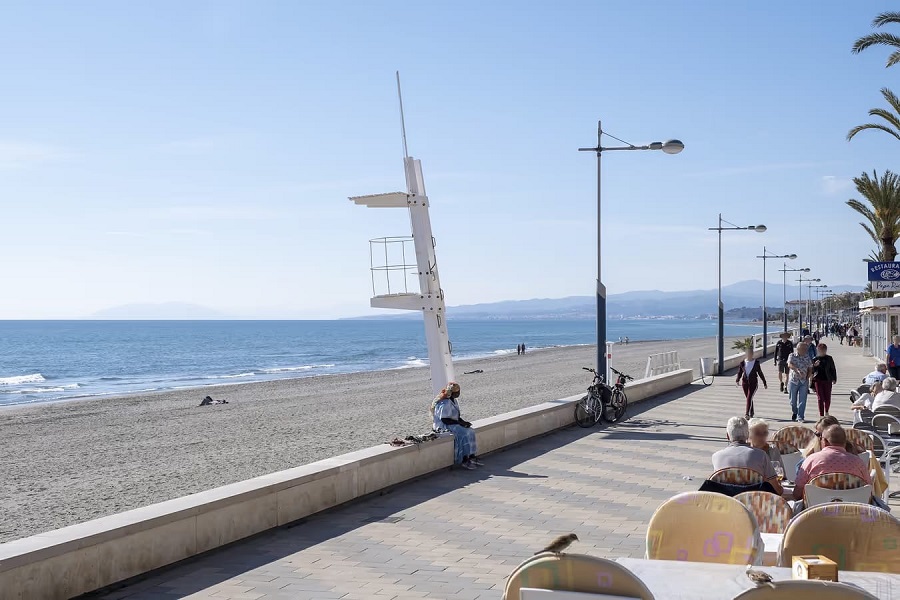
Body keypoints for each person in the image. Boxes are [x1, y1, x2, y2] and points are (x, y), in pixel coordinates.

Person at [793, 424, 871, 501]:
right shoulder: (858, 462)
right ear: (845, 441)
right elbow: (869, 490)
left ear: (824, 441)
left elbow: (797, 493)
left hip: (816, 510)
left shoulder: (811, 460)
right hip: (852, 510)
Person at [712, 417, 782, 496]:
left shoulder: (716, 457)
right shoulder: (760, 455)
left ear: (727, 436)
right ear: (748, 435)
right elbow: (777, 491)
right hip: (754, 503)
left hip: (728, 503)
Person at [431, 382, 481, 470]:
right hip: (444, 425)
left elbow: (456, 416)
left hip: (452, 422)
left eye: (459, 392)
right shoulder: (445, 403)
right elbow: (444, 419)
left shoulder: (454, 400)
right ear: (451, 393)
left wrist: (464, 422)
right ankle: (464, 460)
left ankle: (472, 456)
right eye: (456, 393)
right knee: (464, 433)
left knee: (471, 431)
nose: (458, 394)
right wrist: (460, 423)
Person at [736, 348, 767, 418]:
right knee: (748, 398)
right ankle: (751, 412)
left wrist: (764, 382)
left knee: (749, 397)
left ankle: (747, 413)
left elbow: (760, 372)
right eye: (748, 353)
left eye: (750, 353)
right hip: (745, 383)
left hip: (753, 383)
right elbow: (740, 372)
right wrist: (737, 379)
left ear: (752, 354)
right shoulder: (742, 363)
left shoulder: (756, 363)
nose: (749, 355)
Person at [787, 341, 812, 422]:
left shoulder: (807, 357)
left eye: (806, 349)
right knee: (792, 401)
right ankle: (795, 411)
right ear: (798, 349)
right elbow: (789, 364)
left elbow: (810, 368)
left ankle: (800, 417)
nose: (805, 350)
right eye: (803, 349)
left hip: (803, 381)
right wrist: (796, 370)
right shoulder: (792, 355)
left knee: (802, 400)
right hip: (794, 380)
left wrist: (808, 377)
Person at [811, 343, 837, 417]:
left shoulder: (829, 358)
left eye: (823, 350)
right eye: (820, 350)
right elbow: (812, 371)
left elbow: (833, 369)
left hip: (827, 380)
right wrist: (814, 366)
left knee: (827, 398)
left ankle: (826, 411)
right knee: (820, 398)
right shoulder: (814, 359)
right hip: (818, 380)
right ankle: (821, 415)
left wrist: (834, 378)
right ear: (818, 350)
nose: (822, 351)